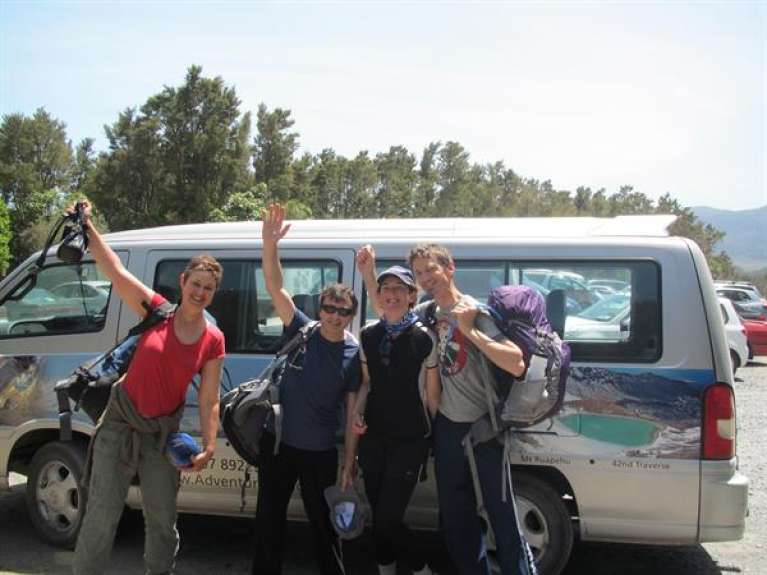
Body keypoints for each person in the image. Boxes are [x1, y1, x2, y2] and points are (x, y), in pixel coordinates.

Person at [361, 243, 535, 575]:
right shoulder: (427, 313)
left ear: (450, 267)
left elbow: (516, 363)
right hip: (448, 427)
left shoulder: (474, 311)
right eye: (420, 273)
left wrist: (468, 330)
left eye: (432, 269)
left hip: (483, 427)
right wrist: (369, 273)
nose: (427, 278)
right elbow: (387, 307)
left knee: (501, 514)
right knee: (456, 518)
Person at [72, 201, 225, 575]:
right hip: (120, 424)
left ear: (213, 293)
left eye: (208, 288)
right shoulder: (157, 310)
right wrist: (88, 227)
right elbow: (116, 271)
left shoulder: (214, 339)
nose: (200, 292)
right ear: (183, 283)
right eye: (196, 284)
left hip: (162, 433)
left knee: (162, 523)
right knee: (101, 516)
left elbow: (209, 398)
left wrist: (208, 445)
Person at [252, 203, 361, 575]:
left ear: (351, 315)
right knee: (268, 522)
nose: (333, 315)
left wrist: (349, 462)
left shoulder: (353, 352)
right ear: (319, 308)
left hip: (320, 454)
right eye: (328, 307)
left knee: (324, 527)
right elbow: (275, 285)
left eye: (342, 311)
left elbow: (352, 413)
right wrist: (270, 245)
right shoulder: (302, 329)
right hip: (280, 446)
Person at [341, 247, 440, 575]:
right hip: (374, 438)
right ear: (379, 296)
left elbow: (432, 396)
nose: (392, 295)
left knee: (387, 516)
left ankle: (421, 566)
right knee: (377, 512)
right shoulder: (369, 335)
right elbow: (367, 383)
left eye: (400, 289)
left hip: (410, 440)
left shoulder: (425, 339)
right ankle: (387, 567)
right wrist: (360, 410)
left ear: (412, 296)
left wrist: (439, 438)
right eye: (386, 289)